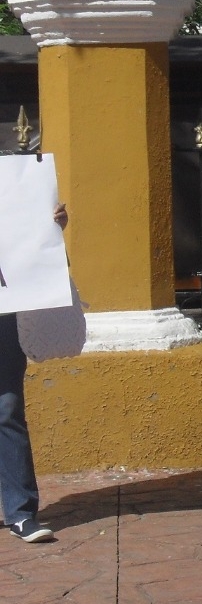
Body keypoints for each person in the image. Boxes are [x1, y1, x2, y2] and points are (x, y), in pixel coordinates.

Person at [2, 201, 68, 543]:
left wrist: (50, 228)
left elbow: (24, 240)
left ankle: (21, 512)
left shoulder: (10, 181)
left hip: (3, 311)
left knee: (7, 408)